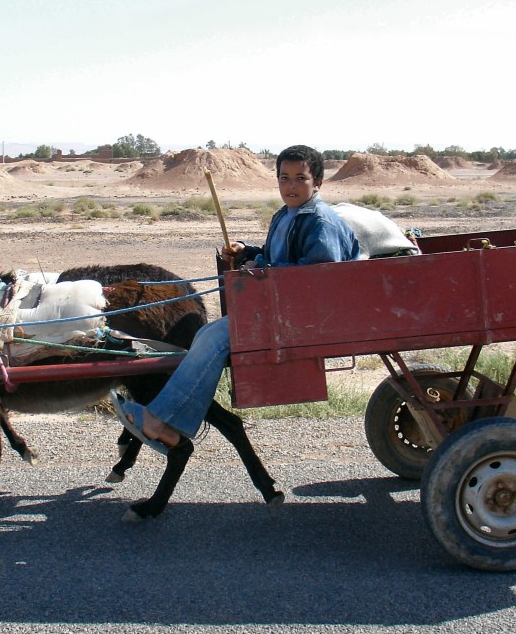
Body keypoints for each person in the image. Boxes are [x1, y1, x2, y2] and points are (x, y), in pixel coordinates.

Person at [110, 143, 359, 452]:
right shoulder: (287, 215)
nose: (291, 186)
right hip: (279, 307)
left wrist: (265, 268)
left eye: (300, 178)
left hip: (303, 317)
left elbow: (318, 277)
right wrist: (248, 252)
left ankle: (161, 420)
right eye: (284, 178)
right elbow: (276, 256)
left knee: (215, 340)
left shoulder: (320, 222)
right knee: (206, 335)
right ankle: (169, 422)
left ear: (317, 182)